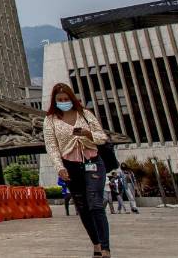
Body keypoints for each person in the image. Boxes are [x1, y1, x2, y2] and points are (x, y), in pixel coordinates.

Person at [43, 82, 112, 258]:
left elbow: (102, 137)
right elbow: (52, 147)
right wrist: (59, 168)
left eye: (66, 98)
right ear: (55, 101)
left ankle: (105, 248)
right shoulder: (50, 120)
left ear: (72, 98)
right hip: (70, 166)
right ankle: (96, 244)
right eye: (60, 99)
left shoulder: (85, 114)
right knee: (83, 207)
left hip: (93, 161)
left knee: (95, 203)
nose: (64, 101)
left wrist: (88, 134)